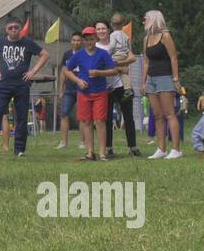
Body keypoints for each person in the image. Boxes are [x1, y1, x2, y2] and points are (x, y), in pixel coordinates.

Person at [0, 18, 49, 157]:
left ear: (20, 28)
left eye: (16, 27)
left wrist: (33, 71)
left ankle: (19, 149)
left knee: (22, 117)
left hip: (21, 85)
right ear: (6, 29)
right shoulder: (0, 41)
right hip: (3, 84)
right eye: (10, 28)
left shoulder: (27, 42)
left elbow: (45, 54)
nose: (13, 30)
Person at [62, 27, 120, 161]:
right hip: (84, 93)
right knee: (86, 121)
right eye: (87, 40)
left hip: (100, 92)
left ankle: (102, 153)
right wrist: (78, 80)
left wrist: (100, 73)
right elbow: (66, 70)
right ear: (83, 41)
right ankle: (90, 152)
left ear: (96, 39)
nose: (89, 42)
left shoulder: (103, 53)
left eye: (92, 39)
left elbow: (114, 70)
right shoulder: (78, 54)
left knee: (99, 121)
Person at [141, 9, 182, 159]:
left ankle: (176, 149)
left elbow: (173, 58)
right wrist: (143, 82)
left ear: (153, 19)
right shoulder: (146, 39)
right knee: (157, 115)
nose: (143, 21)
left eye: (145, 18)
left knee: (169, 113)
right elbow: (146, 62)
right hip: (151, 79)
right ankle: (161, 149)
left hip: (165, 77)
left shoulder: (165, 36)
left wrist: (175, 79)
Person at [104, 15, 141, 156]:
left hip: (115, 64)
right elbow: (129, 51)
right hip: (109, 83)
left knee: (128, 115)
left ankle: (132, 146)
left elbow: (112, 49)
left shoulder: (112, 37)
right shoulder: (125, 36)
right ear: (123, 23)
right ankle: (109, 147)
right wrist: (123, 63)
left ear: (111, 26)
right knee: (107, 117)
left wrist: (111, 58)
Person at [56, 31, 84, 149]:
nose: (76, 42)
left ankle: (82, 142)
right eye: (74, 40)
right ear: (71, 41)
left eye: (78, 40)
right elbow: (63, 72)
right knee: (64, 114)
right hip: (69, 90)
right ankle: (63, 142)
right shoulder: (67, 54)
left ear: (81, 42)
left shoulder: (85, 54)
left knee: (83, 116)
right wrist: (61, 89)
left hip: (82, 89)